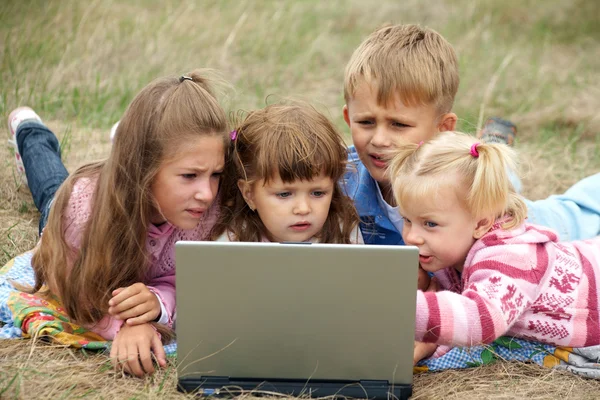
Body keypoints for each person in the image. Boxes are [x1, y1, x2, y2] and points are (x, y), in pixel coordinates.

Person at [6, 70, 229, 377]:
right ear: (142, 169)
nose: (207, 193)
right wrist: (127, 326)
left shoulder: (205, 211)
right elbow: (78, 292)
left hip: (132, 177)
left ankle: (123, 139)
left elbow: (188, 280)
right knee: (51, 188)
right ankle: (30, 131)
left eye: (216, 174)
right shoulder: (81, 210)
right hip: (66, 214)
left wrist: (157, 304)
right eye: (190, 175)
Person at [341, 23, 600, 245]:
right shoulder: (337, 179)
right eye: (365, 122)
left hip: (490, 186)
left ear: (443, 128)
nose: (379, 140)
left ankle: (493, 146)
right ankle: (491, 142)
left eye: (398, 125)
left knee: (506, 179)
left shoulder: (474, 197)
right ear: (347, 118)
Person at [389, 131, 600, 351]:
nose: (411, 236)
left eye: (430, 224)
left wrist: (403, 305)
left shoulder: (512, 258)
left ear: (480, 224)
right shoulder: (452, 250)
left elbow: (481, 320)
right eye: (407, 219)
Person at [210, 102, 362, 244]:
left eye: (318, 193)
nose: (303, 209)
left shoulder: (344, 233)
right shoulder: (233, 243)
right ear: (249, 194)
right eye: (284, 194)